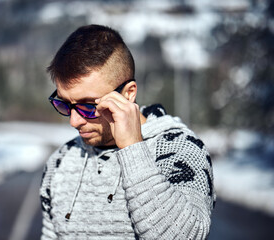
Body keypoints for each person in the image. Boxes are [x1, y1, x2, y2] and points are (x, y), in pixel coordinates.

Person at [40, 24, 215, 239]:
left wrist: (133, 148)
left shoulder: (180, 149)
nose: (74, 122)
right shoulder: (61, 160)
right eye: (65, 104)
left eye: (88, 106)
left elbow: (187, 236)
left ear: (129, 93)